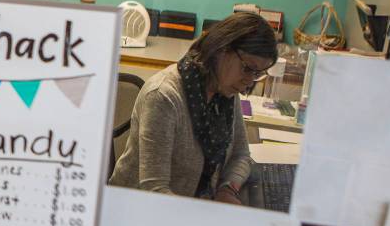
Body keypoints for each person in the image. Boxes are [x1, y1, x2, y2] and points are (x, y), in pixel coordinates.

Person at [109, 12, 278, 203]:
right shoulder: (164, 96)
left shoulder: (226, 91)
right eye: (247, 68)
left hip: (190, 206)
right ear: (222, 49)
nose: (249, 82)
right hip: (136, 210)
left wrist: (227, 189)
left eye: (257, 74)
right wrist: (203, 217)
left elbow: (241, 155)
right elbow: (154, 190)